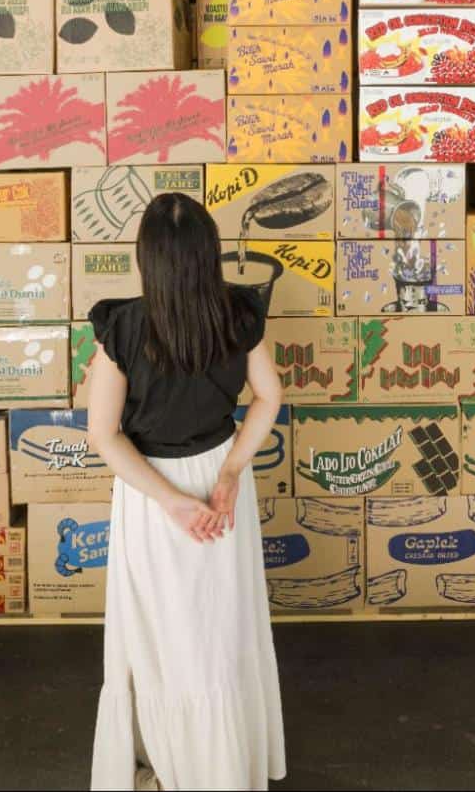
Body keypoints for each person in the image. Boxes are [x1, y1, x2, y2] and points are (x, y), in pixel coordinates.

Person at [85, 192, 288, 792]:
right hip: (220, 484)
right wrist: (229, 474)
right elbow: (269, 397)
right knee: (223, 628)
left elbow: (103, 434)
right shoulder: (240, 314)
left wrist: (171, 501)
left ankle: (174, 770)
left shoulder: (122, 328)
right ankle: (227, 770)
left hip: (151, 496)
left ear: (146, 258)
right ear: (209, 253)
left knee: (161, 636)